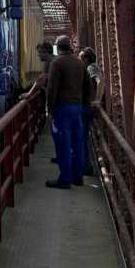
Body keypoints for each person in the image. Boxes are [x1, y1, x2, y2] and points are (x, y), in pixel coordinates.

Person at [45, 34, 85, 189]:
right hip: (78, 107)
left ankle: (65, 179)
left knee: (63, 145)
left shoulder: (57, 63)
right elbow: (87, 86)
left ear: (58, 47)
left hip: (62, 109)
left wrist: (49, 108)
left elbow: (52, 88)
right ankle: (78, 177)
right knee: (77, 144)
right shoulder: (79, 63)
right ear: (69, 47)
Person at [79, 47, 100, 176]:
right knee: (83, 136)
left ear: (86, 58)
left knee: (83, 137)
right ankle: (85, 165)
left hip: (87, 107)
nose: (79, 60)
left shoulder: (91, 67)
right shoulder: (90, 67)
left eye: (81, 58)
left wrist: (97, 99)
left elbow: (100, 80)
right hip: (86, 106)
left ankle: (86, 166)